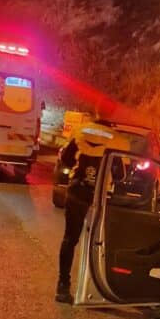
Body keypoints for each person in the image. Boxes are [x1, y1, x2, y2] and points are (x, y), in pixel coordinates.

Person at [55, 126, 116, 304]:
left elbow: (65, 160)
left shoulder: (80, 134)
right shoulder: (113, 140)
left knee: (70, 239)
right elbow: (120, 174)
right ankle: (98, 289)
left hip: (77, 193)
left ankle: (63, 286)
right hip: (99, 197)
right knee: (100, 242)